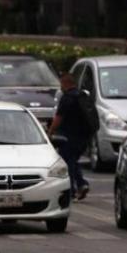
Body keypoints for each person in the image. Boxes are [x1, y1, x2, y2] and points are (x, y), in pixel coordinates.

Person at [49, 72, 91, 200]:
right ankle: (81, 184)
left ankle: (71, 191)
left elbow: (58, 118)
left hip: (68, 137)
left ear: (65, 83)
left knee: (67, 163)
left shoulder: (67, 98)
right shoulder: (83, 96)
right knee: (72, 161)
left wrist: (50, 132)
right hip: (84, 137)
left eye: (61, 83)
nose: (60, 87)